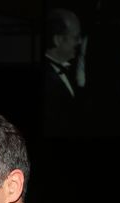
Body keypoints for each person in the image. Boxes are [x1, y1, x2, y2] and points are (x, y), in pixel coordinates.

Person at [42, 8, 86, 138]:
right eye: (76, 37)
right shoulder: (46, 80)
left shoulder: (67, 69)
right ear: (58, 40)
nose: (80, 42)